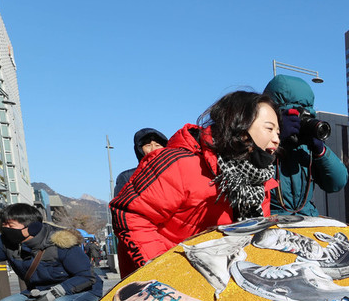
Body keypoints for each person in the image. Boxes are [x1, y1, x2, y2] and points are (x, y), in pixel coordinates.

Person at [110, 91, 281, 277]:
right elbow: (130, 213)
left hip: (217, 278)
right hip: (165, 283)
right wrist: (163, 272)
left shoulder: (259, 179)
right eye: (269, 129)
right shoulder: (181, 163)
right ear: (240, 128)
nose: (276, 139)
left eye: (278, 132)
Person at [262, 75, 348, 217]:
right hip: (270, 222)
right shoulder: (259, 141)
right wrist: (276, 139)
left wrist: (320, 150)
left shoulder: (306, 147)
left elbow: (337, 183)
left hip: (306, 221)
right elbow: (247, 175)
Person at [113, 128, 169, 198]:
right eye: (148, 145)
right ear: (139, 149)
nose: (153, 149)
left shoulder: (174, 173)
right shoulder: (127, 177)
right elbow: (119, 205)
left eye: (157, 145)